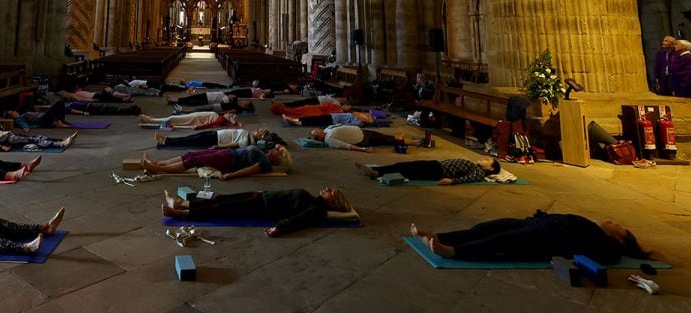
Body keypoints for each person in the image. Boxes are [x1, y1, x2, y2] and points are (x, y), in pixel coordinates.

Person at [409, 210, 650, 263]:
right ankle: (438, 236)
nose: (611, 221)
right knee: (487, 227)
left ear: (619, 239)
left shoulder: (606, 246)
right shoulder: (593, 227)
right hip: (538, 223)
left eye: (618, 226)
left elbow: (590, 256)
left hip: (546, 236)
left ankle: (452, 251)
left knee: (500, 241)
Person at [162, 187, 352, 236]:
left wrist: (278, 228)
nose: (327, 188)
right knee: (219, 198)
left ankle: (180, 214)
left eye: (331, 192)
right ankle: (181, 203)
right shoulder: (312, 199)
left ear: (332, 203)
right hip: (261, 197)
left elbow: (296, 220)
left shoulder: (314, 209)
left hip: (262, 208)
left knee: (221, 209)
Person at [141, 145, 292, 179]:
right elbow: (241, 147)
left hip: (229, 160)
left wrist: (230, 175)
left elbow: (250, 170)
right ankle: (159, 163)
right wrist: (220, 147)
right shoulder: (263, 152)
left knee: (195, 161)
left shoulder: (265, 163)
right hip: (227, 153)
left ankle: (157, 169)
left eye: (277, 150)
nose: (273, 149)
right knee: (191, 154)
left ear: (279, 158)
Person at [356, 157, 501, 184]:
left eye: (487, 161)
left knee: (406, 170)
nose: (484, 159)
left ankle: (376, 172)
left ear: (491, 168)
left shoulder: (480, 173)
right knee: (403, 165)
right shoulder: (475, 166)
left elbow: (469, 179)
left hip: (437, 172)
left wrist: (452, 181)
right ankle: (375, 169)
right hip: (436, 165)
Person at [0, 127, 77, 151]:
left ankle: (59, 141)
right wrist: (0, 147)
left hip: (6, 134)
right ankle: (59, 145)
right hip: (4, 139)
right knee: (31, 141)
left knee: (32, 137)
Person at [155, 126, 273, 149]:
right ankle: (167, 140)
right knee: (191, 137)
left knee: (189, 141)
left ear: (260, 136)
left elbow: (235, 145)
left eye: (259, 131)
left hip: (216, 140)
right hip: (216, 134)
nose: (257, 129)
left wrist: (219, 147)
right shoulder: (248, 134)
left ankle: (166, 141)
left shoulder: (248, 141)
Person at [310, 126, 411, 152]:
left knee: (383, 137)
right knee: (385, 140)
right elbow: (345, 146)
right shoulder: (329, 140)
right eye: (316, 131)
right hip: (361, 139)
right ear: (319, 137)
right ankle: (409, 142)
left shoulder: (327, 130)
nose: (317, 129)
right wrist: (362, 149)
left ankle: (398, 138)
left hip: (360, 131)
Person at [139, 110, 238, 128]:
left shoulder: (221, 120)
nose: (228, 113)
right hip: (195, 116)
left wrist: (198, 127)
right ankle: (154, 119)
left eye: (230, 115)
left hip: (194, 119)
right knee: (173, 118)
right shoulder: (221, 117)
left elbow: (210, 125)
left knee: (172, 119)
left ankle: (150, 120)